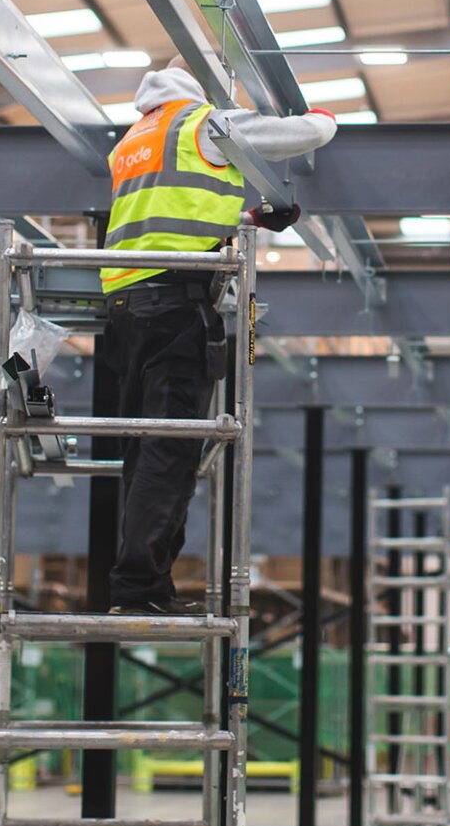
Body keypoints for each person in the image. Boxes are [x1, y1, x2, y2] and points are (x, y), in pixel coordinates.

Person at [101, 56, 337, 614]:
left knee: (145, 453)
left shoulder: (135, 137)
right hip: (174, 306)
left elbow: (174, 213)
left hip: (126, 306)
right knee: (172, 449)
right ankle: (137, 587)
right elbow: (306, 132)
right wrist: (328, 117)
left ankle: (143, 587)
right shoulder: (201, 122)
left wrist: (250, 222)